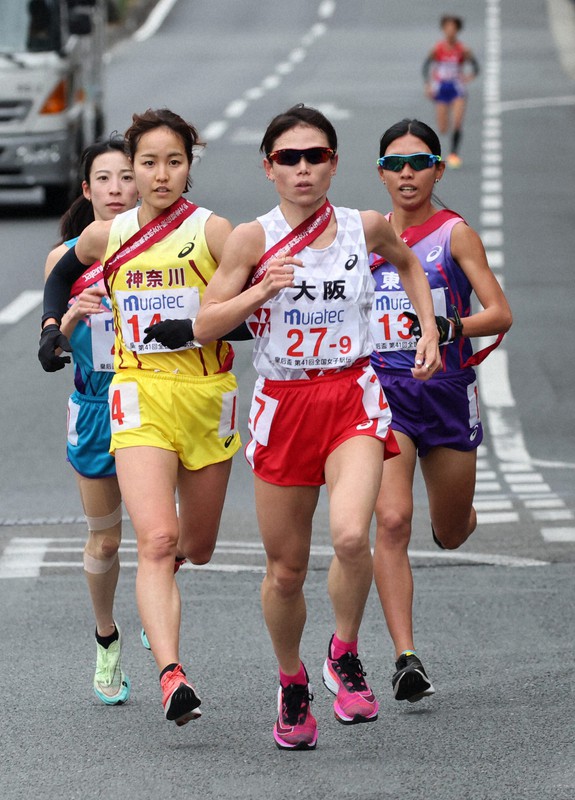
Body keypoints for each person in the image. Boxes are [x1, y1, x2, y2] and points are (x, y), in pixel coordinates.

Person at [194, 104, 440, 750]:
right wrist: (258, 293)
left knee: (352, 536)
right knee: (285, 570)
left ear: (333, 162)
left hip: (351, 395)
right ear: (268, 167)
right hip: (283, 404)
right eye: (288, 158)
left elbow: (410, 265)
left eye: (315, 156)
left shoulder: (364, 227)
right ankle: (292, 680)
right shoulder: (252, 238)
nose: (302, 169)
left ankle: (345, 651)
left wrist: (429, 327)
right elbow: (203, 322)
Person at [39, 108, 242, 727]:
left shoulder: (214, 232)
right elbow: (60, 279)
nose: (152, 177)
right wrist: (56, 325)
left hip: (205, 396)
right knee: (137, 539)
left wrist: (203, 323)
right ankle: (149, 663)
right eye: (143, 165)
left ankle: (163, 594)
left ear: (187, 166)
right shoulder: (104, 238)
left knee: (193, 546)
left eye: (169, 163)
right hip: (125, 398)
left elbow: (256, 315)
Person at [369, 118, 512, 704]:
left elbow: (500, 313)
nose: (408, 173)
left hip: (449, 391)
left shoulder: (455, 235)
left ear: (436, 169)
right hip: (387, 393)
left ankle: (455, 516)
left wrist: (451, 325)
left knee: (451, 533)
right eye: (397, 164)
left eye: (420, 162)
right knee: (393, 520)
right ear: (380, 171)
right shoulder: (365, 235)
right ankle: (406, 657)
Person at [43, 137, 138, 706]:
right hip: (97, 407)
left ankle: (156, 598)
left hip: (158, 398)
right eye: (104, 179)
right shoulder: (65, 259)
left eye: (127, 177)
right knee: (105, 542)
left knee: (167, 538)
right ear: (87, 190)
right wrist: (73, 317)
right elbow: (54, 352)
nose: (117, 189)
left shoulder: (169, 247)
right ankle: (107, 638)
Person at [422, 15, 479, 168]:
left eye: (453, 28)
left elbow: (476, 67)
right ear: (443, 29)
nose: (450, 31)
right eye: (447, 28)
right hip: (441, 88)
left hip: (456, 88)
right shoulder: (437, 48)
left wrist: (469, 76)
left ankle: (454, 154)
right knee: (442, 127)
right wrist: (428, 85)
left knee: (457, 122)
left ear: (457, 30)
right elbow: (426, 67)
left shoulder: (463, 49)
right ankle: (438, 152)